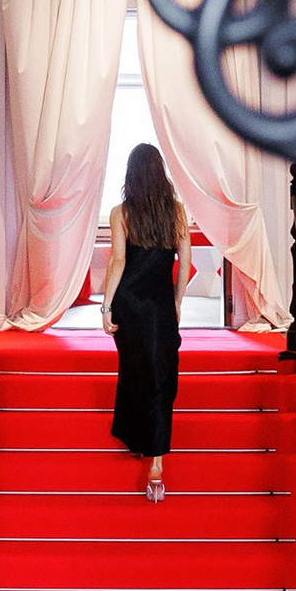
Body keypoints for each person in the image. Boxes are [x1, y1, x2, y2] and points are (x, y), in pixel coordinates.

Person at [100, 144, 190, 502]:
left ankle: (139, 439)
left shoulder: (120, 212)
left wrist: (106, 307)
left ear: (131, 176)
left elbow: (118, 262)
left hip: (129, 304)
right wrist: (178, 301)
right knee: (160, 377)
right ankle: (156, 463)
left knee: (136, 370)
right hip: (159, 305)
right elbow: (185, 262)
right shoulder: (176, 211)